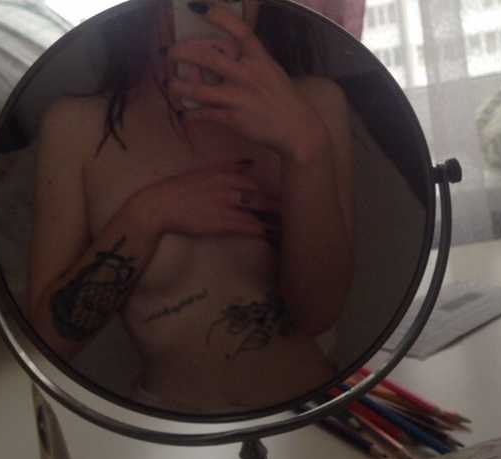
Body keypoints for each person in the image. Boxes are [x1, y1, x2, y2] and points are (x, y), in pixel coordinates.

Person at [28, 0, 354, 413]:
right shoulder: (76, 129)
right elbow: (47, 343)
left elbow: (318, 315)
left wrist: (305, 150)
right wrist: (148, 215)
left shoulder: (315, 105)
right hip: (173, 433)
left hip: (313, 417)